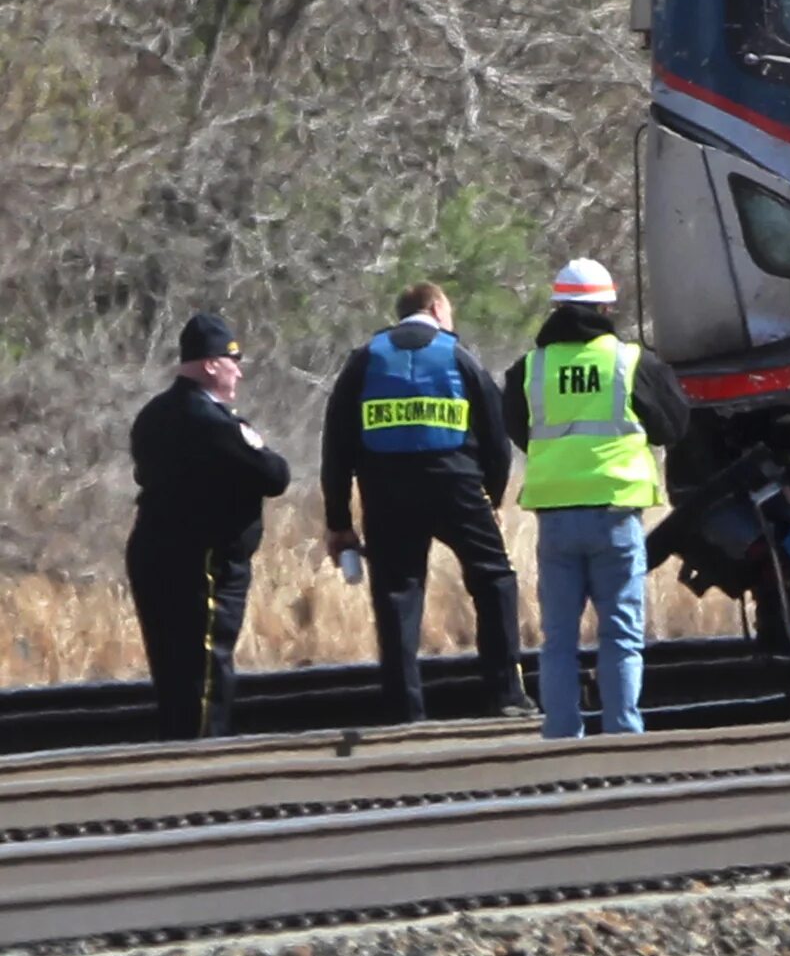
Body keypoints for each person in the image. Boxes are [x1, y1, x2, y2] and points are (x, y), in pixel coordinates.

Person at [320, 281, 529, 722]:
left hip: (386, 490)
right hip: (456, 484)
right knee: (494, 580)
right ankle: (506, 694)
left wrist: (339, 520)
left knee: (397, 593)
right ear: (436, 308)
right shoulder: (457, 355)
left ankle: (404, 711)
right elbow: (496, 436)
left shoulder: (365, 360)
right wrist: (491, 494)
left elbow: (336, 444)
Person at [503, 257, 688, 738]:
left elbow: (521, 431)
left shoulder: (531, 367)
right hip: (615, 516)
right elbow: (674, 424)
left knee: (558, 639)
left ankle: (561, 735)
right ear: (608, 306)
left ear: (557, 306)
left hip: (556, 520)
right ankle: (624, 734)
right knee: (621, 636)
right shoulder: (629, 362)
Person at [126, 312, 291, 740]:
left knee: (172, 669)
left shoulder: (153, 414)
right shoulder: (213, 422)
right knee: (205, 673)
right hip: (203, 564)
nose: (238, 371)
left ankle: (177, 753)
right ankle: (201, 766)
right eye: (233, 361)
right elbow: (275, 475)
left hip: (153, 552)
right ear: (211, 364)